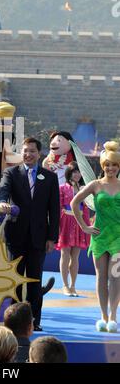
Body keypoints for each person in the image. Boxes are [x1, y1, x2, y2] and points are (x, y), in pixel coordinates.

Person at [0, 137, 60, 331]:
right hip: (15, 236)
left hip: (38, 238)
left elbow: (54, 209)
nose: (28, 154)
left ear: (38, 153)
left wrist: (52, 237)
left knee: (34, 280)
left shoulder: (49, 177)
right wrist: (2, 201)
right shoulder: (11, 172)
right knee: (14, 280)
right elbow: (3, 190)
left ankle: (34, 322)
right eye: (25, 151)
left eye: (32, 151)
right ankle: (14, 321)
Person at [71, 141, 120, 333]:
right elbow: (75, 203)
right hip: (99, 236)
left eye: (114, 164)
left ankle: (114, 316)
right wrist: (84, 226)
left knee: (115, 277)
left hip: (118, 237)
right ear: (102, 165)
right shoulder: (95, 185)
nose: (111, 168)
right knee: (101, 277)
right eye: (107, 164)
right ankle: (103, 316)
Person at [57, 162, 90, 297]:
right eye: (74, 171)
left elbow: (87, 208)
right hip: (66, 223)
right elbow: (58, 207)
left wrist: (86, 225)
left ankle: (73, 286)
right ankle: (65, 285)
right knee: (65, 254)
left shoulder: (85, 189)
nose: (77, 174)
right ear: (69, 173)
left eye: (78, 171)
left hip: (79, 223)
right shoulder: (62, 188)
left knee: (75, 257)